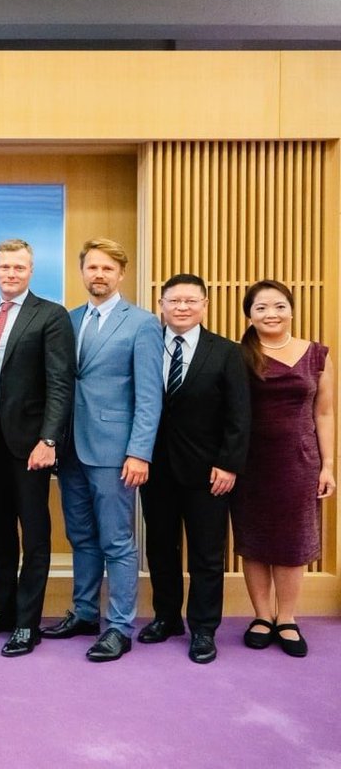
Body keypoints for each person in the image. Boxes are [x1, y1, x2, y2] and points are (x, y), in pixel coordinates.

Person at [42, 238, 163, 662]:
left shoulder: (143, 323)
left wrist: (140, 452)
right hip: (71, 449)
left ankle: (119, 627)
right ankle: (84, 612)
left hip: (115, 451)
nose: (98, 275)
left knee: (117, 541)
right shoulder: (68, 320)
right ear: (82, 272)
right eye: (92, 268)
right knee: (81, 537)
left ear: (121, 274)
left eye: (107, 269)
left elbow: (150, 396)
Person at [0, 240, 74, 657]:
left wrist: (49, 440)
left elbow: (61, 383)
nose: (11, 274)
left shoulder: (50, 315)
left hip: (31, 446)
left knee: (35, 535)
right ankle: (2, 611)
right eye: (4, 267)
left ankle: (27, 624)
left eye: (19, 267)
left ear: (31, 271)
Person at [136, 273, 250, 664]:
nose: (181, 307)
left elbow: (239, 415)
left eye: (190, 301)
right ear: (161, 306)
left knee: (206, 553)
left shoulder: (226, 351)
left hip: (209, 473)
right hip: (156, 470)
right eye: (174, 301)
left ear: (204, 305)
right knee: (161, 548)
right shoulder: (147, 346)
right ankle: (166, 617)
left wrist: (228, 464)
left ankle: (203, 628)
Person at [232, 279, 335, 658]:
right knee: (254, 541)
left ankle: (287, 617)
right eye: (260, 308)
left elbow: (324, 412)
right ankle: (261, 616)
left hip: (299, 461)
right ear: (249, 315)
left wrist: (328, 465)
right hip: (249, 462)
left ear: (291, 310)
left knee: (293, 542)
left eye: (278, 306)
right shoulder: (238, 354)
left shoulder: (317, 354)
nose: (270, 314)